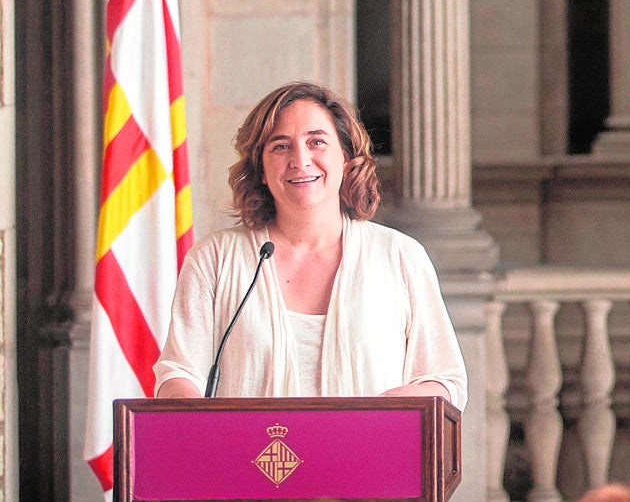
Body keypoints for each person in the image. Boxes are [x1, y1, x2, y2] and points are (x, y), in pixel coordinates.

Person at [154, 81, 467, 408]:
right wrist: (187, 409)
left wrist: (390, 407)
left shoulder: (400, 256)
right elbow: (179, 371)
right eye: (280, 146)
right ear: (260, 168)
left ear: (346, 157)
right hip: (247, 459)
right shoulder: (214, 259)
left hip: (368, 455)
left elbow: (444, 381)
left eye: (316, 141)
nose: (300, 160)